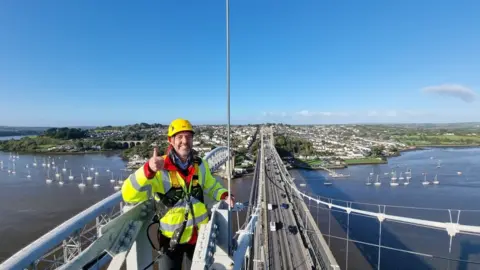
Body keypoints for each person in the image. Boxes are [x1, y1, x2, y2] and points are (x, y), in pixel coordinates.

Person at [121, 118, 234, 270]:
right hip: (170, 241)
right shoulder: (159, 167)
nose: (184, 141)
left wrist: (223, 194)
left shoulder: (200, 164)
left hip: (198, 237)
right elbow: (129, 194)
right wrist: (148, 170)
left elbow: (211, 185)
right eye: (179, 137)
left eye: (188, 136)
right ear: (171, 140)